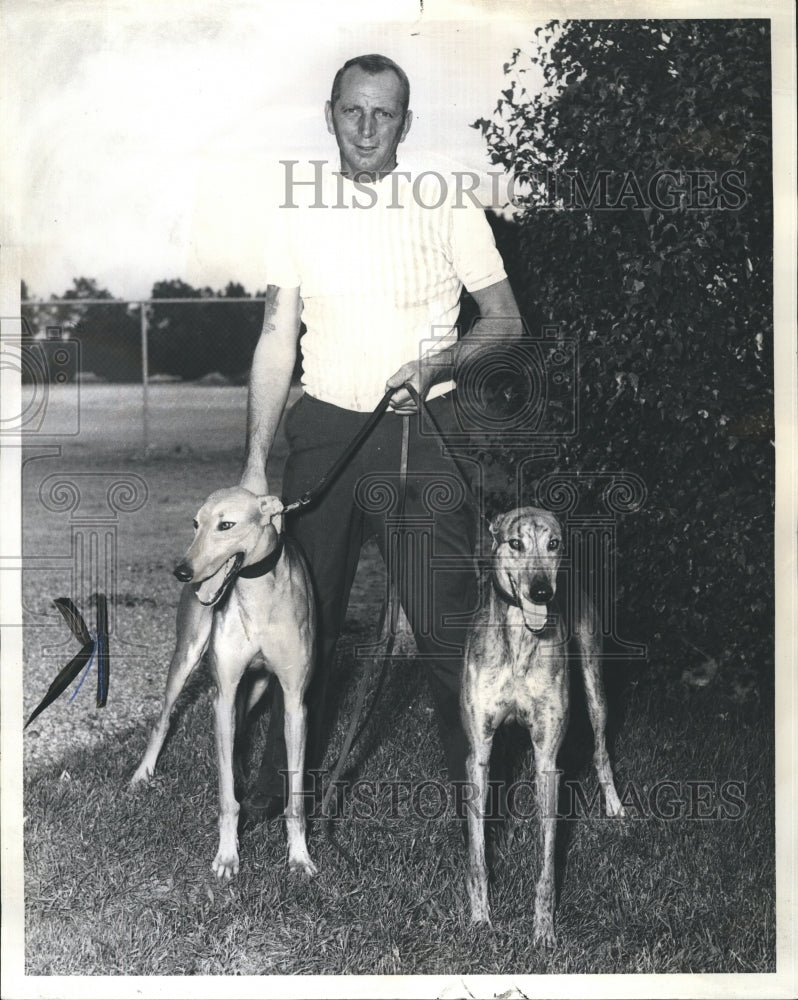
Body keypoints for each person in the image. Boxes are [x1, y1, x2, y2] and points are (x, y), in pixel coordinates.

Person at [239, 53, 522, 821]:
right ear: (329, 113)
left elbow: (505, 323)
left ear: (406, 121)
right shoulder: (295, 209)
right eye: (352, 111)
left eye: (384, 113)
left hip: (424, 431)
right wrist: (255, 466)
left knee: (443, 627)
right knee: (303, 618)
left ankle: (478, 793)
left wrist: (435, 365)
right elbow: (276, 340)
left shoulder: (447, 197)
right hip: (327, 427)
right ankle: (276, 790)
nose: (367, 128)